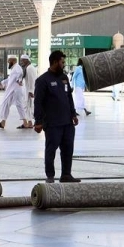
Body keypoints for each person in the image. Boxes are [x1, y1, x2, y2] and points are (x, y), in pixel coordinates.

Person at [33, 49, 80, 183]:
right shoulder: (42, 80)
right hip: (52, 123)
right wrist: (38, 121)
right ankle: (50, 176)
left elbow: (69, 97)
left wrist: (73, 114)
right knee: (51, 150)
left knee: (68, 149)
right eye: (62, 62)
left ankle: (66, 174)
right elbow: (38, 102)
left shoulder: (64, 78)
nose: (63, 65)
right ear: (55, 62)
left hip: (67, 122)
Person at [0, 55, 30, 129]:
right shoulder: (14, 68)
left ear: (13, 61)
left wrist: (19, 80)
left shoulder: (17, 68)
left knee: (14, 104)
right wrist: (0, 83)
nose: (8, 62)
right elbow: (10, 79)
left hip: (15, 90)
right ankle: (4, 122)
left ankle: (24, 123)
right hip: (13, 90)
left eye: (9, 61)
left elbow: (20, 74)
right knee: (9, 104)